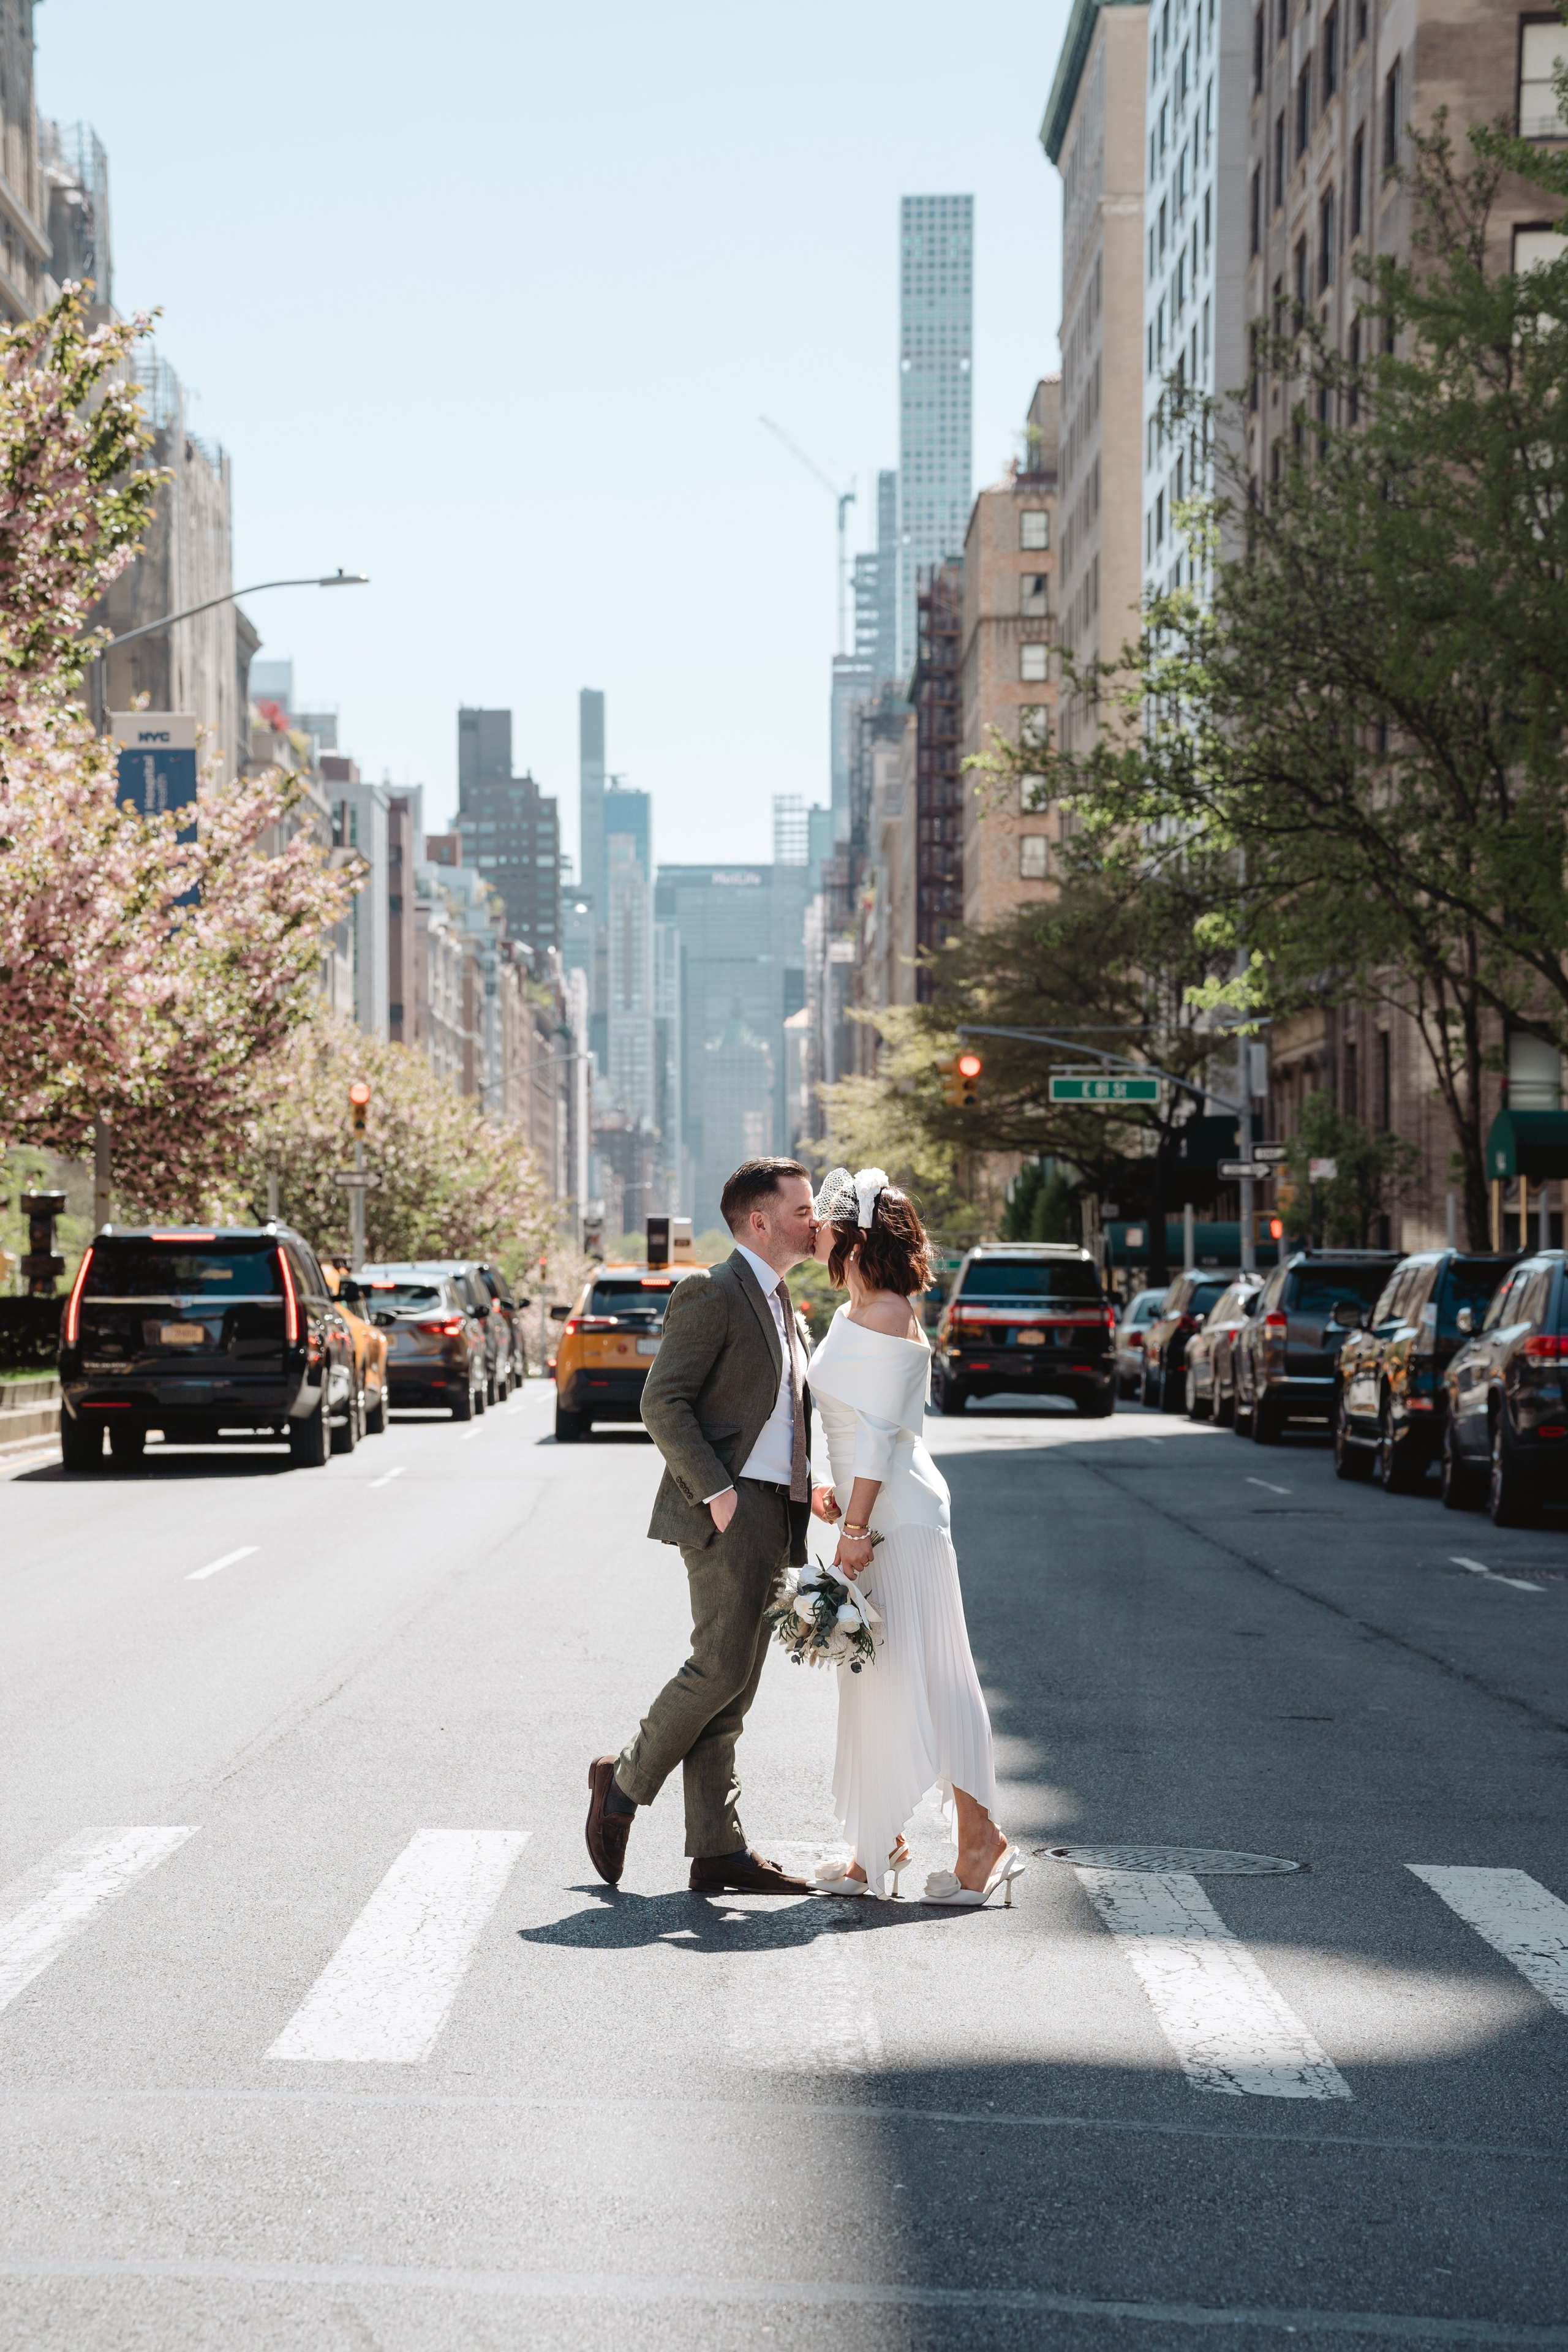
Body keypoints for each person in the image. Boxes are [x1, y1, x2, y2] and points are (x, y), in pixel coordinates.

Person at [584, 1158, 840, 1896]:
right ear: (759, 1222)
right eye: (801, 1210)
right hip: (728, 1507)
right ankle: (621, 1784)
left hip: (774, 1507)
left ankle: (718, 1848)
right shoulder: (713, 1290)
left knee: (737, 1686)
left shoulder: (783, 1301)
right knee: (718, 1668)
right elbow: (662, 1403)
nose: (813, 1223)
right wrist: (720, 1493)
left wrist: (810, 1484)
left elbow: (777, 1413)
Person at [804, 1167, 1025, 1908]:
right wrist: (830, 1487)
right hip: (873, 1508)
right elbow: (845, 1420)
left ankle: (980, 1841)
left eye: (825, 1220)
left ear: (855, 1235)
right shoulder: (853, 1311)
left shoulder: (891, 1312)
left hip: (898, 1517)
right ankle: (878, 1844)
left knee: (934, 1676)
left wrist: (859, 1523)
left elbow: (878, 1432)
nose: (815, 1229)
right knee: (875, 1679)